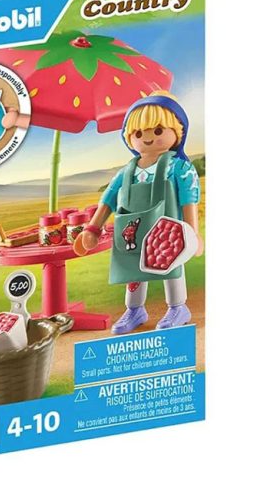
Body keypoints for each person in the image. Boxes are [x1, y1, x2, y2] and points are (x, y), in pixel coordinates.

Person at [74, 91, 203, 333]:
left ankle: (178, 307)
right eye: (139, 133)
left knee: (171, 265)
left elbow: (189, 198)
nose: (148, 138)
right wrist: (93, 228)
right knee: (133, 270)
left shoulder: (179, 167)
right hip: (132, 231)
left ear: (178, 131)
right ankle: (134, 310)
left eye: (157, 131)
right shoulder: (127, 171)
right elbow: (108, 199)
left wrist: (192, 233)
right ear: (129, 137)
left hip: (167, 232)